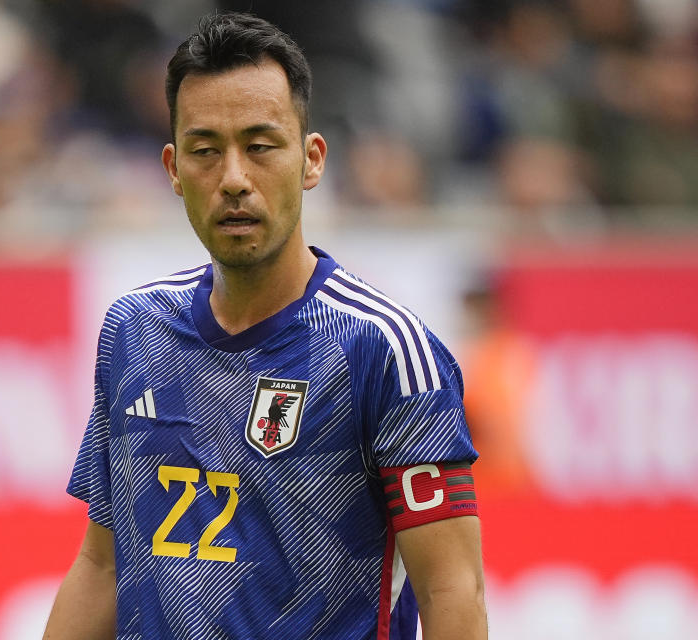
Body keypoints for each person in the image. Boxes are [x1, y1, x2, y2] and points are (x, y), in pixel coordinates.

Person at [43, 12, 486, 640]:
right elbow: (100, 562)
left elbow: (453, 591)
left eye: (259, 146)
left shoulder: (383, 349)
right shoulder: (133, 331)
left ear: (311, 160)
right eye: (205, 151)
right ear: (172, 169)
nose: (233, 179)